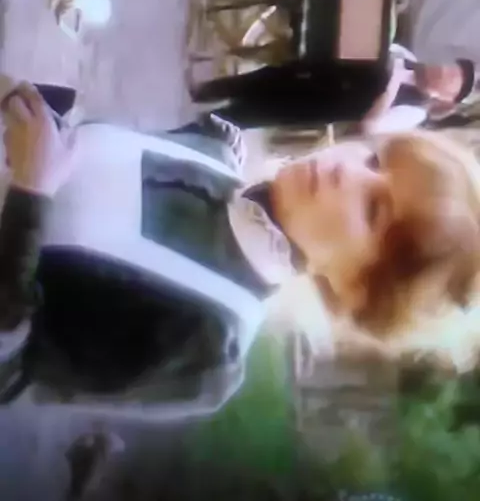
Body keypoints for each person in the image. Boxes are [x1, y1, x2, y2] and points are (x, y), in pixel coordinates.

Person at [1, 81, 480, 412]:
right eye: (374, 158)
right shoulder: (214, 149)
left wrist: (29, 197)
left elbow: (10, 369)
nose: (346, 170)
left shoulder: (205, 349)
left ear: (356, 288)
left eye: (374, 209)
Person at [190, 47, 476, 132]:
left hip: (327, 104)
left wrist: (391, 85)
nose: (443, 72)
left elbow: (370, 127)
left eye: (450, 79)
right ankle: (205, 91)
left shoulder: (414, 112)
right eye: (450, 69)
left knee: (261, 111)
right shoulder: (406, 56)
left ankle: (202, 125)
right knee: (264, 79)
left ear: (445, 98)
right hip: (322, 71)